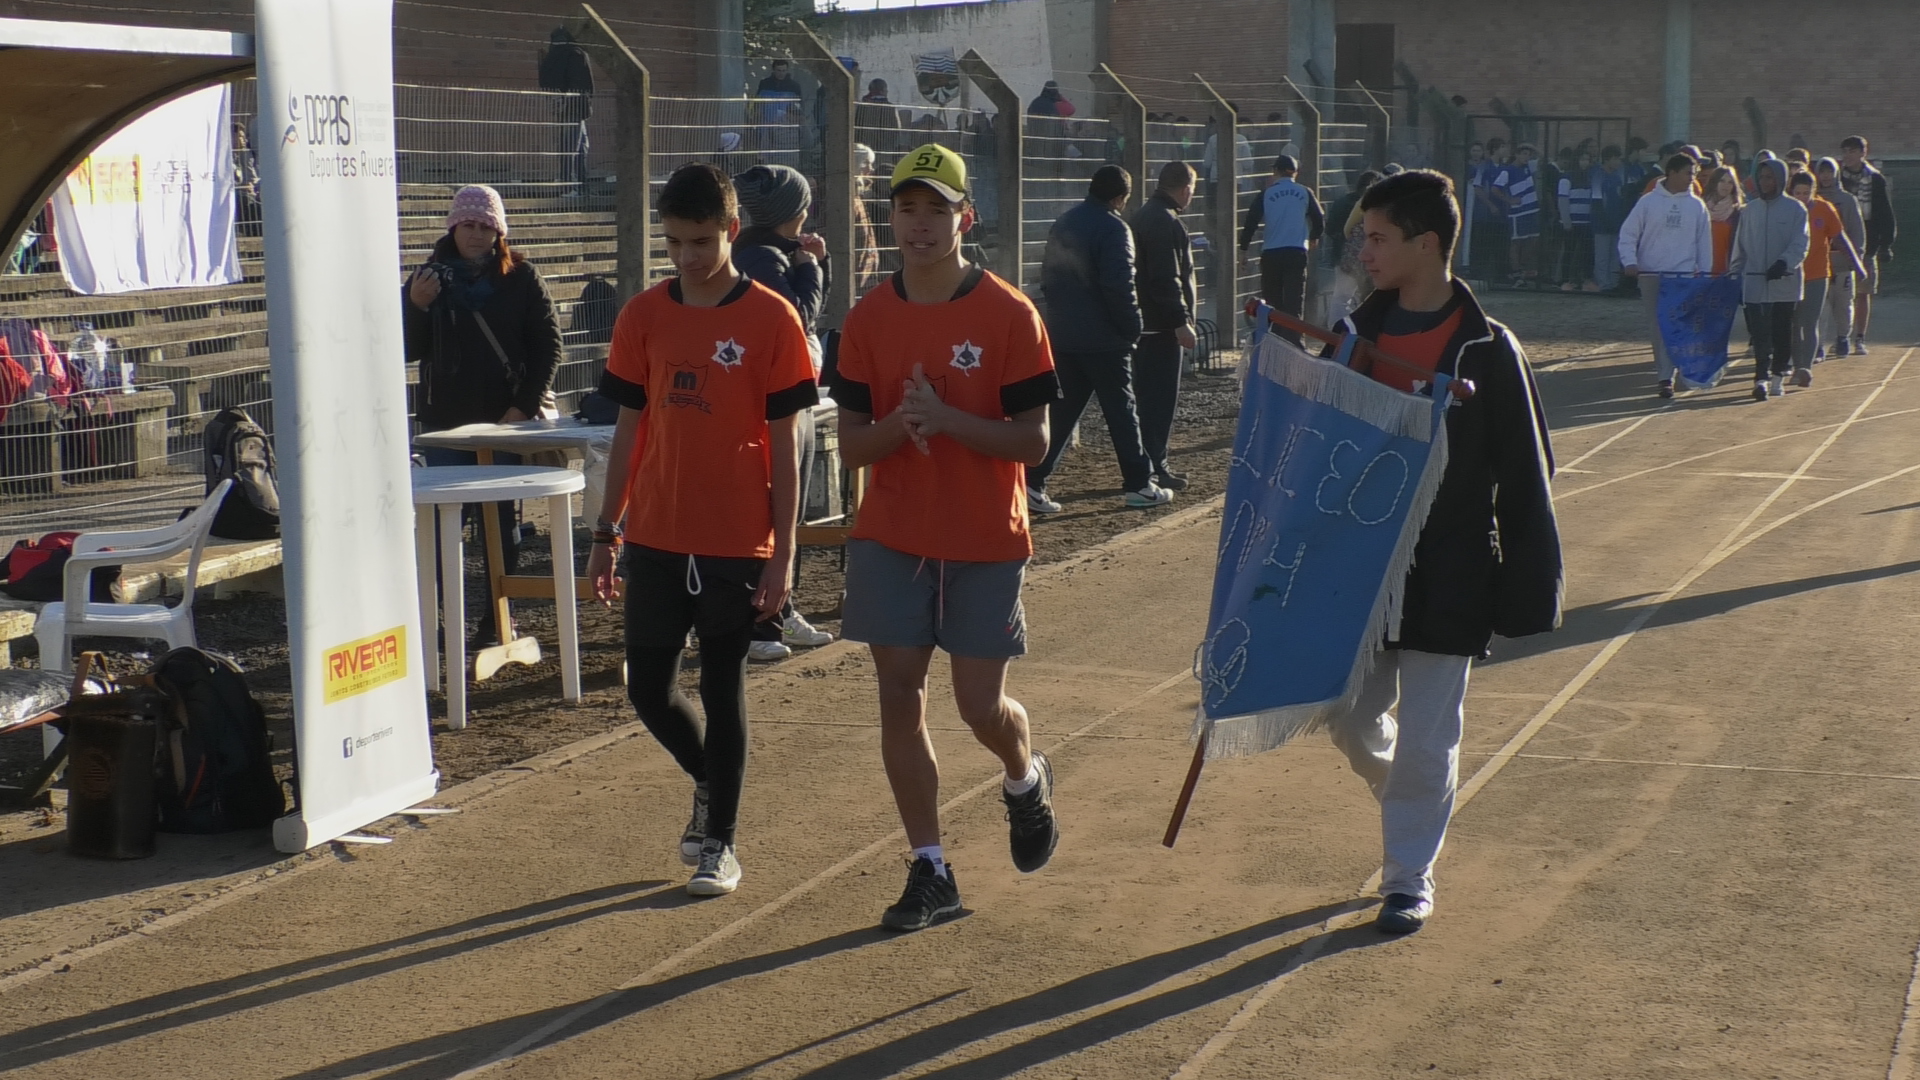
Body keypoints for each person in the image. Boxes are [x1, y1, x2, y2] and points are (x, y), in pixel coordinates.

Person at [1325, 168, 1563, 934]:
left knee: (1430, 738)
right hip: (1363, 568)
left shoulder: (1489, 350)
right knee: (1346, 716)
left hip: (1452, 571)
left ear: (1426, 244)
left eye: (1378, 238)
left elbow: (1525, 473)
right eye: (1364, 238)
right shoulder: (1353, 338)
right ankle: (1407, 791)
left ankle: (1407, 879)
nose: (1365, 252)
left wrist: (1526, 588)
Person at [834, 143, 1063, 932]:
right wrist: (904, 425)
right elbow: (852, 446)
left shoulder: (1010, 314)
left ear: (967, 218)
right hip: (893, 534)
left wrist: (948, 420)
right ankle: (930, 866)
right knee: (899, 692)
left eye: (937, 209)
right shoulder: (868, 319)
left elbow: (1034, 441)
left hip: (985, 538)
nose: (921, 225)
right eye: (908, 209)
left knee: (978, 706)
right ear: (891, 216)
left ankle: (1024, 776)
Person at [585, 164, 818, 897]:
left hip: (736, 540)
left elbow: (786, 446)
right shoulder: (642, 316)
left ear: (731, 231)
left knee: (722, 686)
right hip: (655, 533)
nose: (687, 256)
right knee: (648, 690)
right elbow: (628, 429)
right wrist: (606, 532)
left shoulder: (772, 319)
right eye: (675, 243)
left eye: (702, 241)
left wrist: (783, 553)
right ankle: (710, 783)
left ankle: (722, 842)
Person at [403, 185, 563, 645]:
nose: (476, 234)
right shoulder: (426, 278)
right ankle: (433, 622)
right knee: (441, 527)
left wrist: (522, 408)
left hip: (503, 421)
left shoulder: (522, 277)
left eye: (486, 227)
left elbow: (548, 346)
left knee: (500, 525)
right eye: (468, 225)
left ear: (499, 232)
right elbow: (405, 349)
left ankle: (498, 619)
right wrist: (416, 306)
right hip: (445, 425)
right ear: (453, 227)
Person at [729, 164, 839, 661]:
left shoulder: (772, 253)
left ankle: (778, 611)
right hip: (774, 400)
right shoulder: (761, 257)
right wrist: (812, 267)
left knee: (784, 512)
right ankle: (761, 621)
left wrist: (814, 265)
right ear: (794, 210)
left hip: (794, 394)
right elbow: (799, 317)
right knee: (774, 511)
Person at [1028, 165, 1168, 511]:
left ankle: (1032, 481)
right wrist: (1132, 327)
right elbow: (1119, 285)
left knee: (1062, 411)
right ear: (1121, 197)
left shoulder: (1065, 222)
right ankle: (1139, 484)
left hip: (1064, 335)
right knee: (1122, 412)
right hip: (1105, 339)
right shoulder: (1115, 229)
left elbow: (1048, 276)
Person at [1617, 153, 1712, 399]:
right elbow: (1628, 233)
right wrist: (1630, 261)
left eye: (1694, 173)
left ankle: (1677, 370)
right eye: (1688, 173)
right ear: (1672, 173)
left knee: (1678, 324)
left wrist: (1705, 275)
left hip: (1682, 276)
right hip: (1651, 275)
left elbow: (1704, 244)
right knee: (1658, 326)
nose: (1692, 178)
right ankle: (1664, 376)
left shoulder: (1696, 206)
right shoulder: (1648, 202)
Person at [1130, 160, 1199, 492]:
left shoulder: (1142, 216)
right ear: (1185, 189)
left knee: (1143, 400)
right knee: (1159, 402)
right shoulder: (1166, 221)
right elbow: (1166, 278)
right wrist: (1180, 321)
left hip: (1143, 324)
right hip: (1160, 327)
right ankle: (1157, 466)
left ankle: (1145, 465)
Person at [1728, 157, 1809, 401]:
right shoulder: (1749, 210)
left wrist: (1784, 263)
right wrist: (1734, 274)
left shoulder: (1796, 209)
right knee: (1759, 333)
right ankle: (1760, 377)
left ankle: (1778, 375)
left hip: (1784, 282)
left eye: (1770, 177)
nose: (1764, 182)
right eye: (1761, 177)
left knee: (1781, 331)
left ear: (1781, 180)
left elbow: (1801, 243)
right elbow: (1740, 245)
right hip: (1754, 282)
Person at [1237, 154, 1325, 345]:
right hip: (1296, 251)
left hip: (1271, 252)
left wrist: (1243, 249)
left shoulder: (1267, 193)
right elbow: (1319, 218)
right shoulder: (1304, 192)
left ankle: (1275, 342)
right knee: (1294, 301)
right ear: (1295, 172)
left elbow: (1251, 222)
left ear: (1276, 171)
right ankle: (1294, 343)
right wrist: (1314, 237)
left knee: (1273, 302)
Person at [1786, 171, 1860, 387]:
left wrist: (1856, 264)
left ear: (1814, 191)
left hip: (1817, 275)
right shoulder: (1786, 209)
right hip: (1790, 275)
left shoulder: (1824, 209)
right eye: (1798, 193)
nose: (1802, 197)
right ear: (1791, 192)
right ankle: (1796, 364)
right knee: (1794, 324)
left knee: (1810, 323)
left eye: (1806, 193)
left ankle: (1805, 368)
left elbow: (1840, 237)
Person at [1839, 136, 1898, 355]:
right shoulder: (1837, 178)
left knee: (1863, 292)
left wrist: (1885, 243)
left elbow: (1885, 212)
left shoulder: (1875, 179)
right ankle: (1841, 335)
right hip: (1840, 243)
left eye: (1853, 151)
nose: (1848, 156)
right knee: (1840, 295)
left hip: (1867, 244)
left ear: (1863, 153)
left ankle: (1860, 337)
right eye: (1845, 151)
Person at [1815, 157, 1866, 357]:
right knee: (1820, 309)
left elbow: (1857, 231)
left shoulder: (1847, 200)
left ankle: (1843, 337)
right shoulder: (1813, 200)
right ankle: (1818, 345)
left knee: (1843, 305)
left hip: (1843, 264)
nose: (1826, 176)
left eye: (1829, 172)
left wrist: (1856, 258)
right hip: (1819, 264)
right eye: (1822, 172)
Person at [537, 27, 594, 191]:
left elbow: (545, 80)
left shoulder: (551, 55)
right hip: (576, 105)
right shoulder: (576, 53)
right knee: (575, 146)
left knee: (574, 145)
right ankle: (572, 186)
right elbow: (584, 83)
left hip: (559, 103)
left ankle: (576, 185)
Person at [1495, 143, 1541, 286]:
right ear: (1516, 155)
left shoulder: (1529, 167)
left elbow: (1542, 158)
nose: (1526, 157)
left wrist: (1531, 146)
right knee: (1516, 242)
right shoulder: (1507, 171)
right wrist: (1509, 200)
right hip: (1517, 213)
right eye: (1524, 154)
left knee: (1533, 240)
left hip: (1532, 210)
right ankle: (1516, 273)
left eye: (1528, 155)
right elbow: (1495, 189)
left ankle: (1522, 269)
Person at [1556, 147, 1597, 291]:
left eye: (1587, 160)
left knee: (1587, 253)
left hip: (1586, 222)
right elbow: (1562, 200)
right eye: (1582, 159)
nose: (1585, 163)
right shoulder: (1566, 178)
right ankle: (1565, 280)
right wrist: (1567, 222)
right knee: (1569, 251)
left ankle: (1586, 279)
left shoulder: (1590, 177)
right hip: (1571, 223)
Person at [1589, 145, 1628, 292]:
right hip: (1601, 224)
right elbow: (1597, 202)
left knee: (1615, 255)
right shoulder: (1598, 175)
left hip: (1617, 222)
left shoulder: (1618, 176)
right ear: (1607, 159)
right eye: (1615, 159)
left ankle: (1614, 284)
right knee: (1602, 256)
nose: (1618, 162)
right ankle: (1603, 285)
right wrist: (1605, 221)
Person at [1702, 165, 1743, 276]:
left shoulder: (1737, 213)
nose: (1726, 186)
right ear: (1714, 182)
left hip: (1726, 272)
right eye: (1722, 181)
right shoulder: (1701, 208)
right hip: (1702, 271)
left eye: (1730, 182)